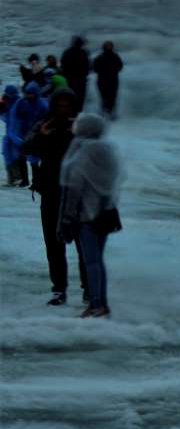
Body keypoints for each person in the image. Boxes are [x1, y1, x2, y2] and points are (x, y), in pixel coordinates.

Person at [21, 87, 88, 306]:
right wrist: (43, 135)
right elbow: (26, 148)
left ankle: (89, 289)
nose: (63, 109)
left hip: (79, 194)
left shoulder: (83, 125)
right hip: (51, 194)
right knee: (53, 245)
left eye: (67, 105)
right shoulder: (44, 125)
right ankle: (59, 290)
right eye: (59, 105)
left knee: (83, 245)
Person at [58, 113, 122, 319]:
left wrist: (67, 217)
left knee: (91, 262)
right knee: (98, 261)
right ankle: (100, 303)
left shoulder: (82, 151)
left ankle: (96, 305)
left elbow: (74, 187)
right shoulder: (108, 149)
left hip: (86, 215)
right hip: (106, 213)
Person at [9, 82, 49, 184]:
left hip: (36, 135)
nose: (28, 95)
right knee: (21, 156)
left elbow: (46, 119)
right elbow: (15, 118)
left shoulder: (42, 104)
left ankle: (36, 182)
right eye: (27, 93)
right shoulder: (21, 102)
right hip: (24, 133)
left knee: (34, 160)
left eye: (30, 93)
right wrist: (16, 134)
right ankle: (25, 180)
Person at [93, 42, 124, 118]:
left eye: (109, 46)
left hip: (107, 80)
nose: (109, 48)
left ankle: (108, 112)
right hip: (108, 80)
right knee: (107, 96)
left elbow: (95, 68)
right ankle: (107, 112)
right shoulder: (112, 56)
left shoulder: (102, 57)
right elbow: (120, 66)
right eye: (108, 46)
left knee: (108, 97)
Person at [2, 83, 25, 185]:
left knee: (16, 155)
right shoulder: (7, 103)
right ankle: (11, 178)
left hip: (18, 134)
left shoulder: (20, 103)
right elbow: (5, 118)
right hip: (10, 134)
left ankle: (18, 178)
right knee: (7, 154)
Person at [60, 37, 91, 109]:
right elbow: (87, 65)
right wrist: (85, 74)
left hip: (70, 78)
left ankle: (71, 109)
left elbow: (63, 64)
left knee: (71, 95)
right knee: (80, 96)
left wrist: (65, 75)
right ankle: (78, 110)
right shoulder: (83, 52)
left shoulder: (67, 52)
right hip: (80, 78)